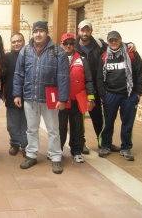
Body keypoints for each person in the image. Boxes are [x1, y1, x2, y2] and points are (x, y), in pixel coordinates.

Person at [13, 21, 69, 174]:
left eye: (41, 31)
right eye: (35, 31)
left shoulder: (58, 51)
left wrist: (62, 99)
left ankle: (55, 156)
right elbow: (19, 74)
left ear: (47, 32)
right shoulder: (25, 51)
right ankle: (31, 154)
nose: (38, 34)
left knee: (53, 129)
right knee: (31, 129)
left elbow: (63, 76)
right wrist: (17, 94)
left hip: (50, 98)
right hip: (30, 96)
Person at [75, 20, 135, 153]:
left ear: (91, 31)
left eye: (87, 30)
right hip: (79, 87)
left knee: (97, 116)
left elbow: (114, 44)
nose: (85, 33)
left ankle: (103, 143)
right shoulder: (72, 46)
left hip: (94, 86)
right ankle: (81, 143)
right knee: (79, 118)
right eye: (82, 30)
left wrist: (129, 44)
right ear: (78, 31)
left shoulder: (99, 44)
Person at [97, 31, 142, 161]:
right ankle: (105, 145)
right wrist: (103, 95)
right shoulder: (104, 56)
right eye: (111, 40)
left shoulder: (131, 54)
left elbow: (140, 72)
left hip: (129, 95)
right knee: (108, 123)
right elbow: (100, 78)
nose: (113, 42)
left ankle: (126, 148)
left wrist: (139, 93)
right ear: (108, 41)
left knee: (128, 123)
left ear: (120, 40)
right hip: (110, 94)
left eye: (116, 40)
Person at [59, 32, 95, 163]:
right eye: (65, 43)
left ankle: (76, 152)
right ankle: (58, 151)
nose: (68, 46)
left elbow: (89, 80)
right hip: (61, 101)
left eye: (71, 43)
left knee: (77, 128)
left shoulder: (82, 59)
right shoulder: (56, 58)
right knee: (60, 128)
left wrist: (90, 99)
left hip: (77, 100)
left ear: (74, 44)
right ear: (61, 44)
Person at [4, 32, 27, 157]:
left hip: (27, 95)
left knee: (25, 123)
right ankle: (14, 143)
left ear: (24, 42)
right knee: (12, 124)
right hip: (11, 95)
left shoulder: (30, 55)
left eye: (19, 41)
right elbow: (2, 75)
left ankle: (25, 146)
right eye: (14, 42)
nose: (16, 43)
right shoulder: (7, 57)